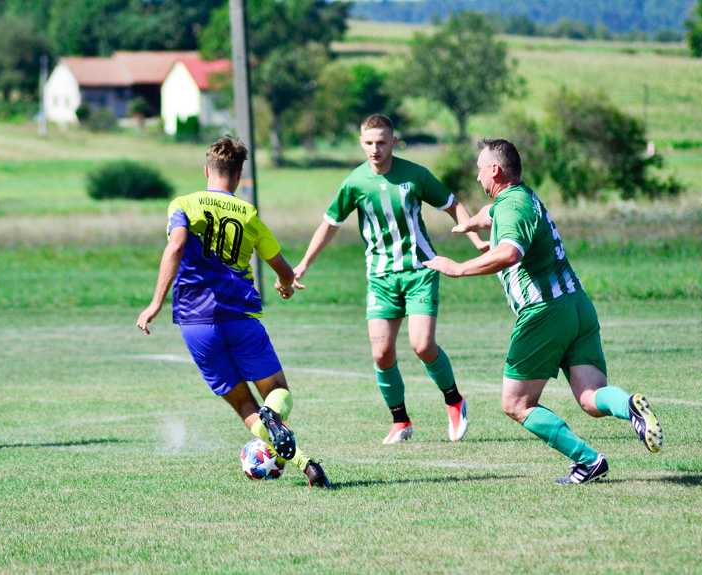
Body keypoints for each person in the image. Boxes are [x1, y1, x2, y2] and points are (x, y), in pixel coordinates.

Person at [424, 138, 663, 484]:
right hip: (577, 306)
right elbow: (489, 214)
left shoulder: (512, 208)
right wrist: (470, 225)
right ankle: (629, 406)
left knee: (516, 404)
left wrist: (458, 267)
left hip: (543, 312)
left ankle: (588, 459)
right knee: (591, 398)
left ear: (495, 169)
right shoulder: (522, 197)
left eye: (479, 170)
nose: (477, 178)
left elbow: (509, 253)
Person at [136, 136, 330, 488]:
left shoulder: (183, 203)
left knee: (244, 406)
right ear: (240, 175)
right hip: (240, 318)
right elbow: (284, 269)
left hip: (196, 325)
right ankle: (278, 423)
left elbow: (177, 245)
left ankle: (304, 464)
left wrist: (155, 303)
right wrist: (285, 285)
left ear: (206, 171)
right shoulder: (250, 215)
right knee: (277, 391)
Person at [294, 114, 488, 445]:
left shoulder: (414, 175)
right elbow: (329, 224)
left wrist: (476, 240)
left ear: (394, 142)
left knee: (422, 345)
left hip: (420, 271)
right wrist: (303, 265)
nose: (375, 149)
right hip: (381, 278)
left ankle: (454, 400)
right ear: (361, 143)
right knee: (382, 354)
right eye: (369, 143)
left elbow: (452, 204)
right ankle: (401, 421)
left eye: (382, 142)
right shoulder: (354, 183)